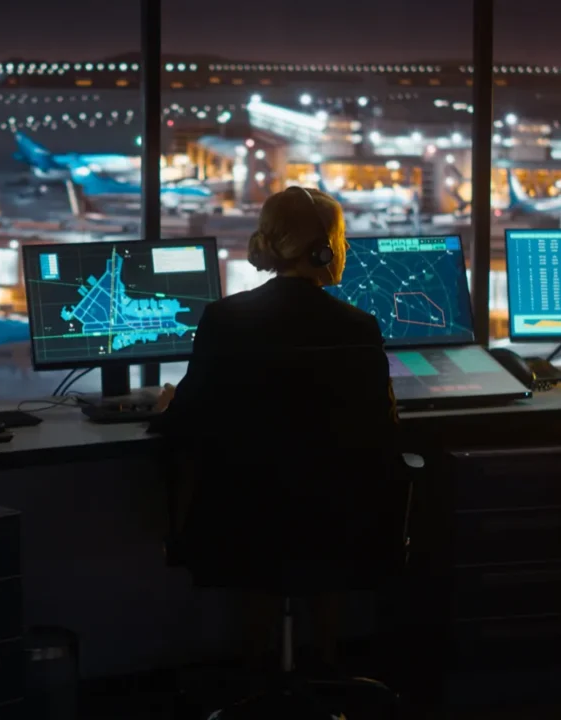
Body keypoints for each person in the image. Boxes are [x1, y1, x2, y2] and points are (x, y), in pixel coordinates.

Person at [152, 187, 400, 672]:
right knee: (321, 534)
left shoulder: (224, 320)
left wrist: (170, 403)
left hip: (243, 524)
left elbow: (185, 425)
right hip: (339, 525)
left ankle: (253, 679)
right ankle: (326, 673)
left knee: (264, 532)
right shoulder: (359, 327)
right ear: (325, 248)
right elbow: (383, 431)